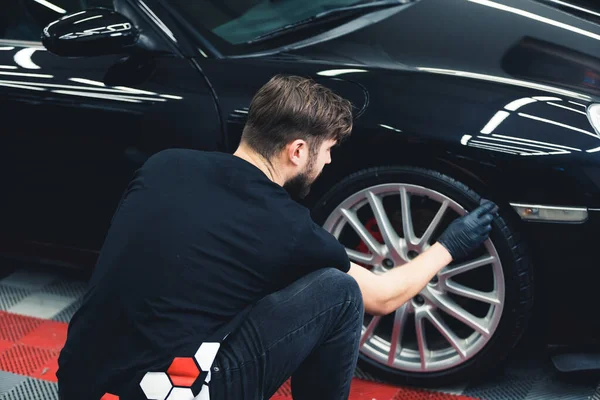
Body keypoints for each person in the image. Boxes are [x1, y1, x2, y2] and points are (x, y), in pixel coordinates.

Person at [56, 75, 498, 400]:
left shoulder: (164, 165)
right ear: (298, 150)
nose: (327, 163)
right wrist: (449, 245)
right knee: (340, 290)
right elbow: (382, 296)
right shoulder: (285, 227)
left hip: (78, 383)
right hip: (160, 394)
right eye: (327, 150)